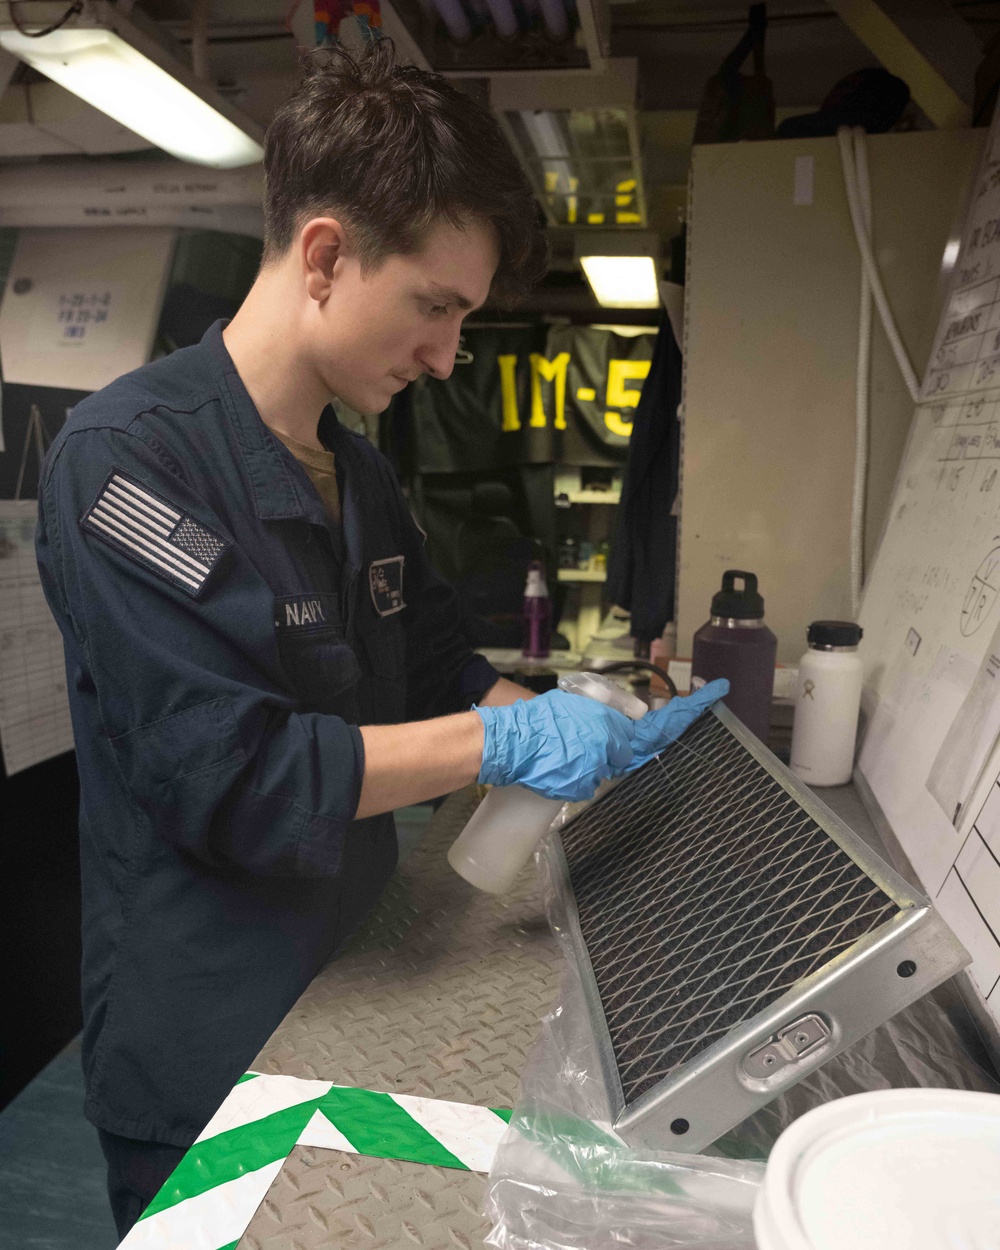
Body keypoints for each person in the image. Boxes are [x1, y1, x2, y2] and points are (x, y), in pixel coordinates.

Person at [35, 40, 726, 1238]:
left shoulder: (361, 472)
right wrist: (496, 744)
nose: (448, 353)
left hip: (346, 980)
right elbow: (238, 778)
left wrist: (593, 728)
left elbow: (439, 672)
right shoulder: (130, 463)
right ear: (323, 256)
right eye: (435, 307)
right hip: (205, 1027)